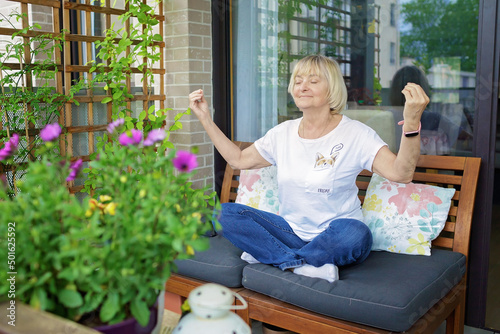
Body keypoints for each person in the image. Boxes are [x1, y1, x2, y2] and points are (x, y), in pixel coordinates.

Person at [189, 54, 429, 283]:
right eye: (297, 80)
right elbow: (238, 160)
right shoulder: (282, 133)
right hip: (290, 231)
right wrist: (205, 119)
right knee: (225, 213)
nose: (302, 86)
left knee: (356, 233)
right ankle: (301, 264)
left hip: (335, 235)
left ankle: (272, 255)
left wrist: (411, 124)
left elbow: (401, 173)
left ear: (332, 89)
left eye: (313, 81)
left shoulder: (356, 134)